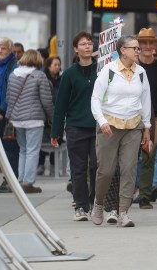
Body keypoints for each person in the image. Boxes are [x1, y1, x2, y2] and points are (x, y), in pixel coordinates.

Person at [90, 36, 151, 228]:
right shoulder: (108, 70)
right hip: (110, 125)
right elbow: (95, 99)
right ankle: (99, 203)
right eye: (135, 48)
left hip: (133, 126)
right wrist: (101, 121)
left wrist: (146, 126)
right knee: (106, 171)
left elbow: (146, 100)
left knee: (128, 169)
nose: (138, 52)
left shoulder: (141, 72)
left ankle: (123, 212)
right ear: (123, 50)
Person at [51, 32, 98, 221]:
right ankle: (80, 205)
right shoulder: (69, 74)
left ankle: (95, 201)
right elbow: (60, 104)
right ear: (76, 49)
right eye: (83, 44)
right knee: (78, 168)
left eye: (89, 44)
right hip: (75, 127)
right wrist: (55, 131)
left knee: (97, 166)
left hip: (98, 126)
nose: (87, 46)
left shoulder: (101, 70)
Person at [5, 49, 54, 194]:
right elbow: (46, 100)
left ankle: (20, 179)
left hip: (16, 119)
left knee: (23, 150)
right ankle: (28, 182)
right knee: (33, 151)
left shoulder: (13, 75)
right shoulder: (39, 76)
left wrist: (10, 116)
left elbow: (9, 98)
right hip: (34, 119)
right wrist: (52, 117)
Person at [134, 28, 157, 209]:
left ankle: (145, 196)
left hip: (155, 118)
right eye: (143, 43)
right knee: (129, 158)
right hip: (131, 118)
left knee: (149, 156)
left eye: (151, 43)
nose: (147, 46)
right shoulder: (130, 67)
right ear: (137, 46)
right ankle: (129, 192)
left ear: (156, 46)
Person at [0, 37, 19, 193]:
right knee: (1, 150)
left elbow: (10, 91)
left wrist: (2, 110)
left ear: (10, 50)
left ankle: (11, 180)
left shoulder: (13, 66)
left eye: (3, 48)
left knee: (9, 149)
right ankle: (7, 179)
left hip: (6, 116)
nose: (0, 51)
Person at [38, 56, 62, 176]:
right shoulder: (44, 79)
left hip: (58, 114)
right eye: (55, 65)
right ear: (48, 66)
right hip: (46, 116)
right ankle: (40, 165)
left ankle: (54, 166)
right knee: (43, 140)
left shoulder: (61, 79)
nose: (57, 67)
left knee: (57, 140)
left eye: (58, 65)